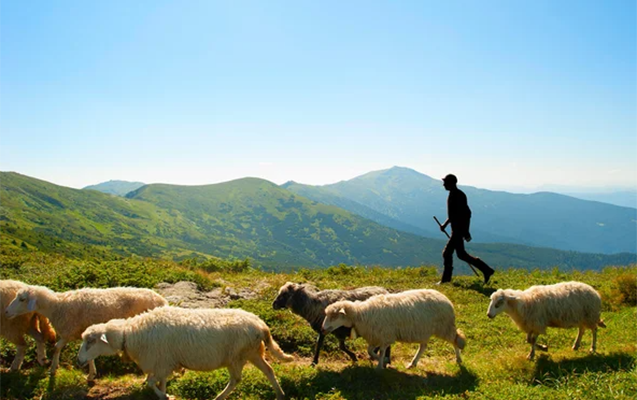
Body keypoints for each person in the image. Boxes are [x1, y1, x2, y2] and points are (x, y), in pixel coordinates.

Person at [438, 173, 494, 284]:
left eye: (445, 182)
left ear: (452, 183)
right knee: (461, 254)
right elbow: (453, 215)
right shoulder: (454, 194)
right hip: (457, 230)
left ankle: (446, 280)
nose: (443, 184)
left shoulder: (458, 195)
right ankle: (487, 270)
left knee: (447, 253)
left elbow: (466, 213)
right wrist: (445, 224)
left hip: (458, 230)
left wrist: (465, 231)